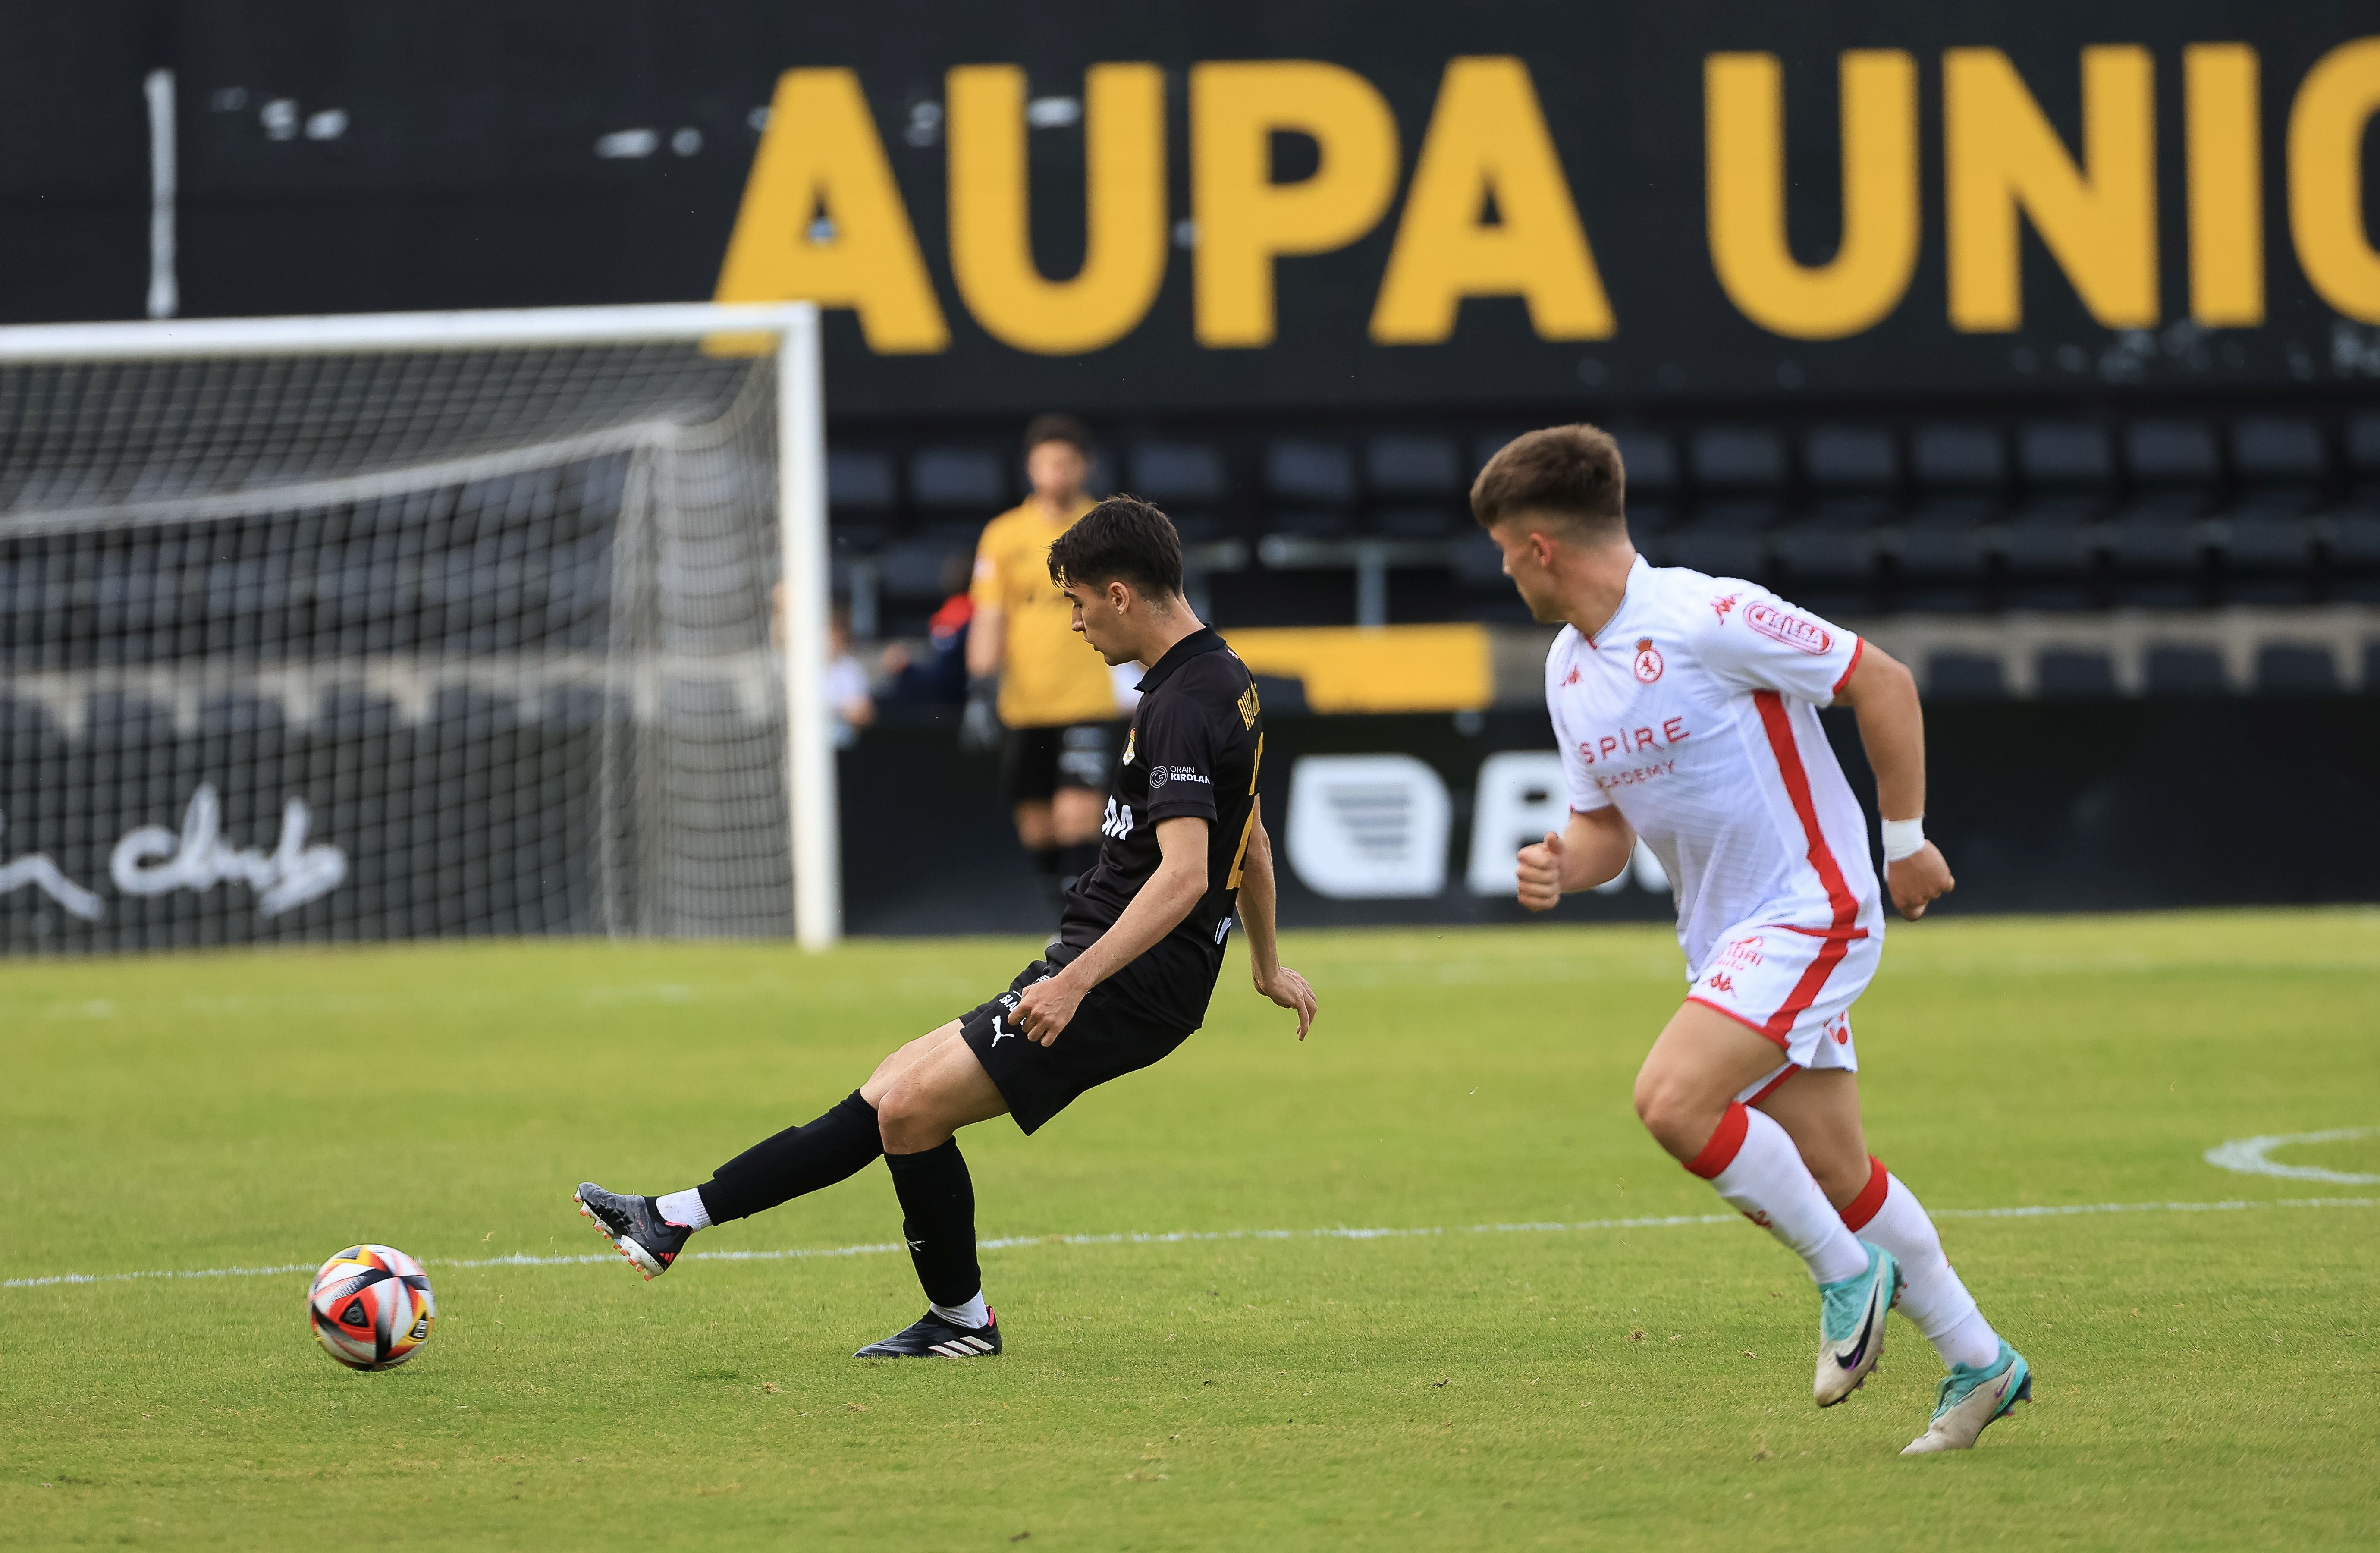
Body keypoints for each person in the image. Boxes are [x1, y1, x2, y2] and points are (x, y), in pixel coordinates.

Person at [574, 497, 1318, 1358]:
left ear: (1120, 593)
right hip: (1111, 963)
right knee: (891, 1086)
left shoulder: (1181, 704)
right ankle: (673, 1219)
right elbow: (1250, 835)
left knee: (912, 1111)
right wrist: (1264, 962)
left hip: (1126, 978)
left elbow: (1187, 874)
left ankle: (961, 1323)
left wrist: (1075, 984)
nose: (1072, 623)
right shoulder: (1221, 677)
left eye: (1075, 603)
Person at [1479, 424, 2030, 1456]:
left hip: (1813, 907)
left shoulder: (1707, 614)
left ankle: (1845, 1276)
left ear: (1540, 545)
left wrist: (1904, 841)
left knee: (1672, 1098)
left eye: (1505, 548)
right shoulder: (1569, 669)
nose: (1503, 568)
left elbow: (1883, 681)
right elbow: (1606, 829)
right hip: (1724, 939)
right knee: (1834, 1167)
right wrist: (1562, 858)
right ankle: (1981, 1360)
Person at [965, 414, 1121, 901]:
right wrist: (979, 686)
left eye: (1065, 463)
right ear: (1030, 469)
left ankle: (1080, 926)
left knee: (1077, 816)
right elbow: (990, 615)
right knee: (1038, 826)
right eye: (1045, 463)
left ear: (1085, 467)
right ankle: (1066, 906)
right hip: (1025, 704)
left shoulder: (1105, 528)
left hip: (1087, 700)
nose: (1056, 473)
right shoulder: (1004, 535)